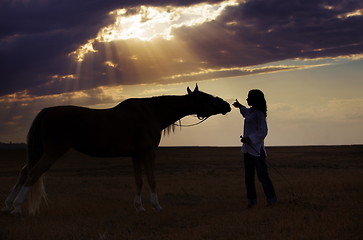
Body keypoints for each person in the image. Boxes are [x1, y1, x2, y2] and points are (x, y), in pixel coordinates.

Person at [233, 89, 277, 208]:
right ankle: (251, 201)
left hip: (257, 151)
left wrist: (250, 139)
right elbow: (245, 112)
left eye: (249, 97)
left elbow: (263, 131)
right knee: (249, 177)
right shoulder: (251, 112)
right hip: (247, 150)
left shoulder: (259, 114)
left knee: (262, 177)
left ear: (255, 99)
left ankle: (272, 200)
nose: (247, 99)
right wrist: (239, 106)